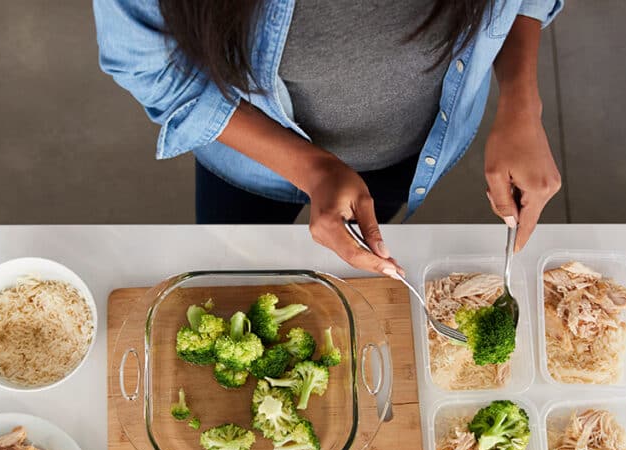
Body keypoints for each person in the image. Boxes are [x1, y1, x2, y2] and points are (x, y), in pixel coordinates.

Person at [94, 0, 563, 274]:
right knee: (233, 269)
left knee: (359, 256)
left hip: (407, 147)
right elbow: (147, 63)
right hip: (243, 154)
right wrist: (312, 168)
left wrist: (523, 105)